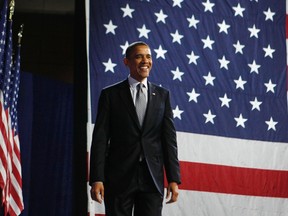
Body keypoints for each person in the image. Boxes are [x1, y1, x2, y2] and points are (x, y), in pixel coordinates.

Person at [89, 41, 181, 216]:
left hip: (152, 178)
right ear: (126, 62)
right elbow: (100, 139)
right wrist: (97, 178)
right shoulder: (110, 95)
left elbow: (169, 140)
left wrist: (174, 178)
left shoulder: (162, 96)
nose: (145, 61)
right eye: (139, 56)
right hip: (119, 176)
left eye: (148, 56)